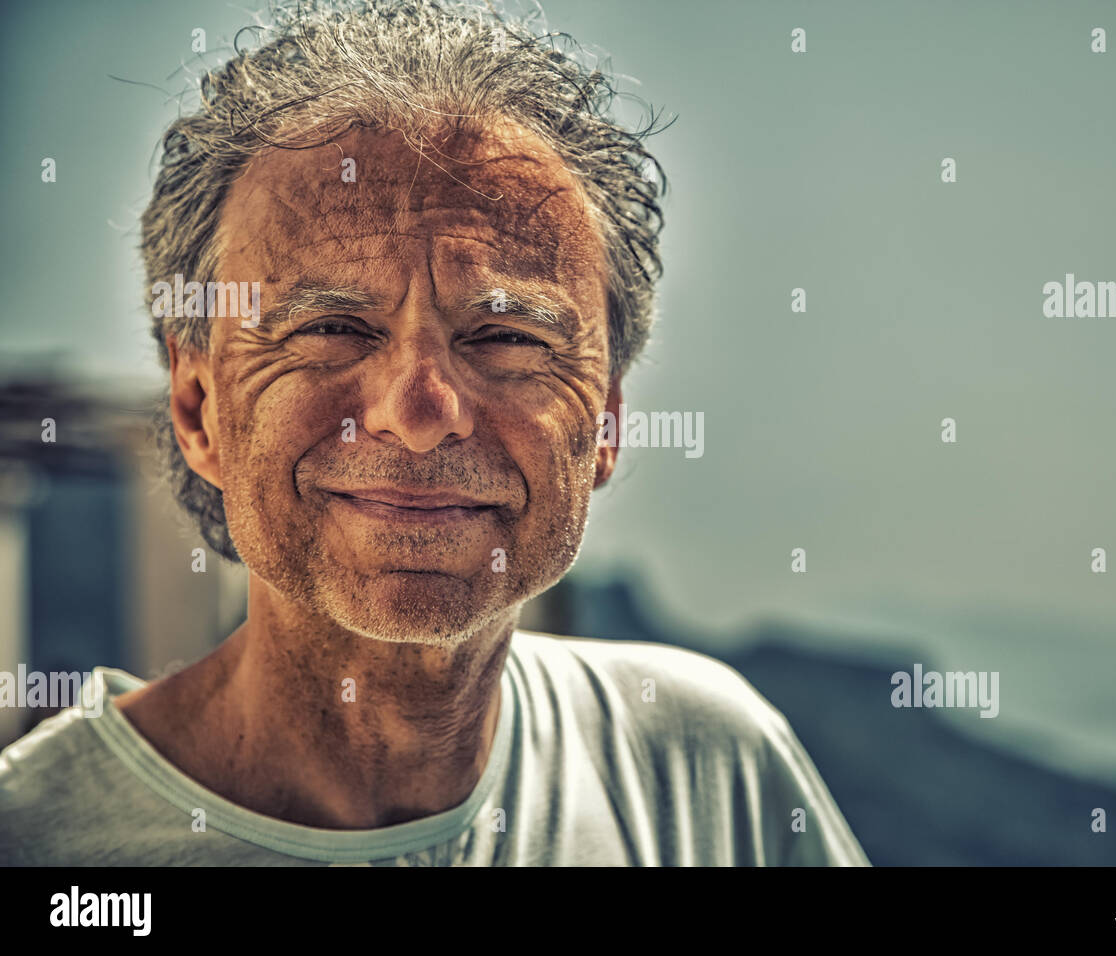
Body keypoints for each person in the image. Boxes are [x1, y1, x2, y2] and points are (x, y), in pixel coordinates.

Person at [0, 0, 869, 866]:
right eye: (332, 330)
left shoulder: (703, 773)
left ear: (603, 422)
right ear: (199, 408)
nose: (418, 416)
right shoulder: (39, 838)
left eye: (505, 338)